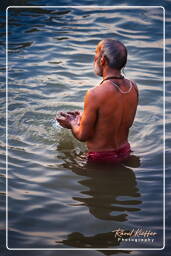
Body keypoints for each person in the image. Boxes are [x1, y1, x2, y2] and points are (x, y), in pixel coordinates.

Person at [56, 39, 139, 164]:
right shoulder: (133, 87)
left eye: (96, 54)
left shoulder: (94, 93)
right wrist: (84, 117)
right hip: (125, 152)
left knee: (63, 162)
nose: (94, 59)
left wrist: (72, 123)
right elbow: (123, 123)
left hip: (100, 159)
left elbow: (83, 136)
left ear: (103, 60)